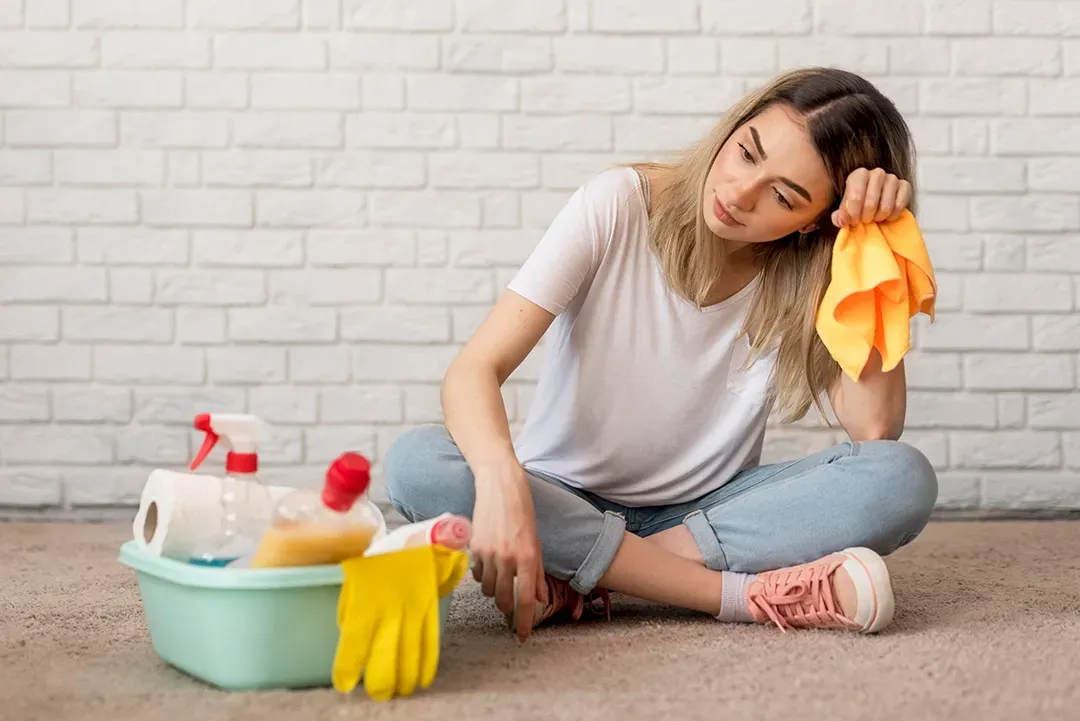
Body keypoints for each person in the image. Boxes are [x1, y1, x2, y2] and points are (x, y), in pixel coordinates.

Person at [384, 67, 939, 643]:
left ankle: (587, 574)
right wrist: (501, 484)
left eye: (782, 196)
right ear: (734, 127)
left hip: (702, 518)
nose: (738, 193)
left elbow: (874, 426)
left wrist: (871, 242)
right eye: (747, 152)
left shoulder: (814, 267)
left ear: (814, 223)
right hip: (559, 499)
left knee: (901, 478)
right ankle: (741, 596)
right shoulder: (618, 204)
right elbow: (475, 370)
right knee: (418, 463)